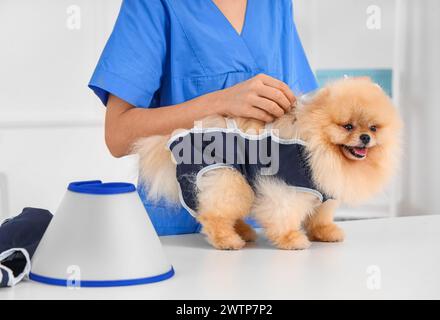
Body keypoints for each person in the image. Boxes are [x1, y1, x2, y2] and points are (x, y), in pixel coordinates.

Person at [88, 0, 318, 235]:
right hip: (178, 232)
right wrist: (221, 102)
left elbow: (302, 115)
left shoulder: (275, 5)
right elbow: (118, 136)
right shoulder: (153, 5)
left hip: (268, 230)